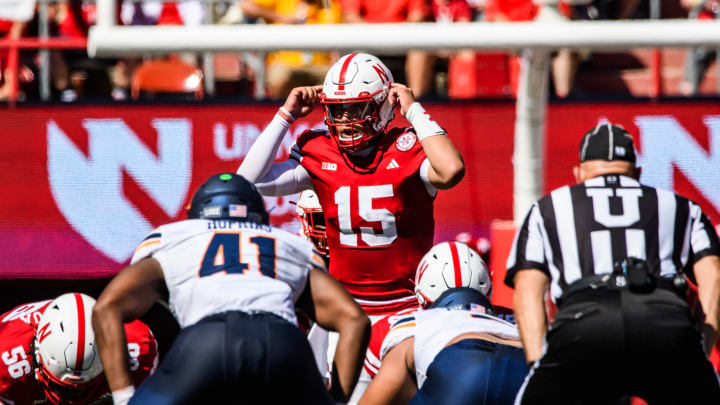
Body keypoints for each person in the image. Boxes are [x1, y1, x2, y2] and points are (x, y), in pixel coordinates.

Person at [91, 173, 370, 405]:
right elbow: (354, 320)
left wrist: (124, 397)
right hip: (281, 343)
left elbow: (107, 307)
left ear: (197, 214)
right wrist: (336, 400)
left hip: (207, 341)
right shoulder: (286, 242)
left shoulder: (176, 237)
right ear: (259, 216)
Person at [236, 52, 465, 317]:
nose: (345, 119)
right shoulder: (320, 149)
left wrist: (413, 110)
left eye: (356, 108)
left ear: (384, 104)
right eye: (337, 109)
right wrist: (285, 115)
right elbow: (248, 182)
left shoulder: (406, 146)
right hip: (345, 311)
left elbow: (451, 171)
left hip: (407, 308)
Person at [506, 123, 720, 404]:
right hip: (663, 321)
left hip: (584, 322)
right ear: (638, 174)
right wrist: (699, 349)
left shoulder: (548, 207)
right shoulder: (683, 207)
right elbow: (714, 277)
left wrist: (539, 363)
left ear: (579, 173)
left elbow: (528, 288)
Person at [359, 287, 528, 405]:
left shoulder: (419, 322)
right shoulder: (508, 325)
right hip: (523, 363)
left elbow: (386, 390)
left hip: (463, 362)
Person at [364, 241, 494, 379]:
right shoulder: (512, 321)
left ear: (421, 298)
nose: (458, 321)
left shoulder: (390, 331)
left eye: (468, 308)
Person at [0, 293, 157, 405]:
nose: (71, 399)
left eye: (80, 389)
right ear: (37, 353)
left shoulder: (137, 348)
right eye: (62, 388)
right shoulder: (6, 356)